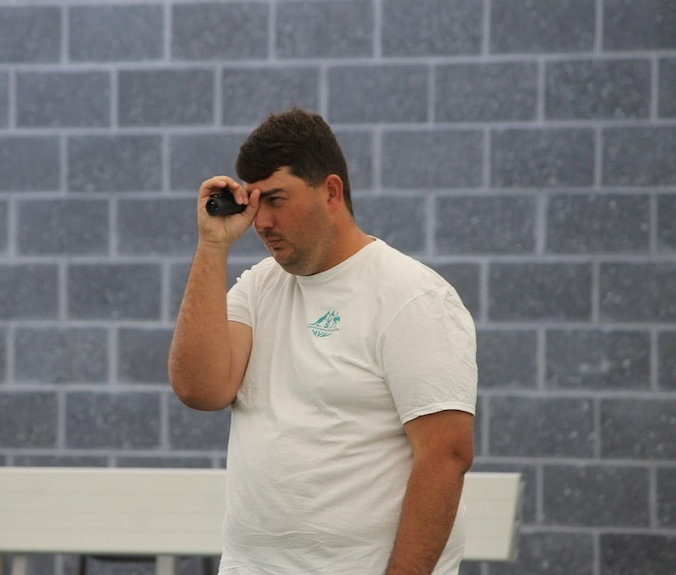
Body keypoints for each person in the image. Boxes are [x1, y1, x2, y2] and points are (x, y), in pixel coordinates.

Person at [168, 107, 477, 575]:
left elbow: (445, 456)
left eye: (276, 199)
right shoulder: (257, 287)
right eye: (253, 204)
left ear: (331, 191)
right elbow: (200, 389)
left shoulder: (413, 296)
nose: (262, 221)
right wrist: (212, 247)